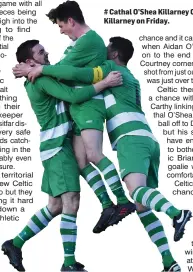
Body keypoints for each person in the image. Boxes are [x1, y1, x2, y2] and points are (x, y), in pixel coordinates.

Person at [23, 36, 192, 272]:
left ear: (113, 55)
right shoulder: (132, 78)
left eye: (107, 49)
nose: (102, 51)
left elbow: (78, 74)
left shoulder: (109, 68)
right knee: (144, 204)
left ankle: (176, 212)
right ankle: (169, 263)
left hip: (130, 139)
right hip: (149, 140)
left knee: (136, 192)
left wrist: (40, 68)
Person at [13, 0, 136, 234]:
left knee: (90, 160)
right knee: (64, 194)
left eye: (61, 25)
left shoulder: (89, 40)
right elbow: (65, 73)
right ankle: (108, 204)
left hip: (84, 109)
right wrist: (34, 70)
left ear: (71, 21)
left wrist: (36, 69)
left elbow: (71, 74)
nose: (60, 31)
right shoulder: (74, 47)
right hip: (62, 136)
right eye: (40, 52)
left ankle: (120, 201)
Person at [2, 40, 122, 272]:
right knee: (72, 202)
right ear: (30, 61)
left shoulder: (40, 74)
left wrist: (28, 69)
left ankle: (14, 244)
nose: (46, 52)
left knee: (55, 206)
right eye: (40, 52)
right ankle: (69, 264)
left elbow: (64, 69)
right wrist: (106, 82)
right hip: (57, 148)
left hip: (55, 148)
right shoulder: (41, 80)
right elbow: (73, 96)